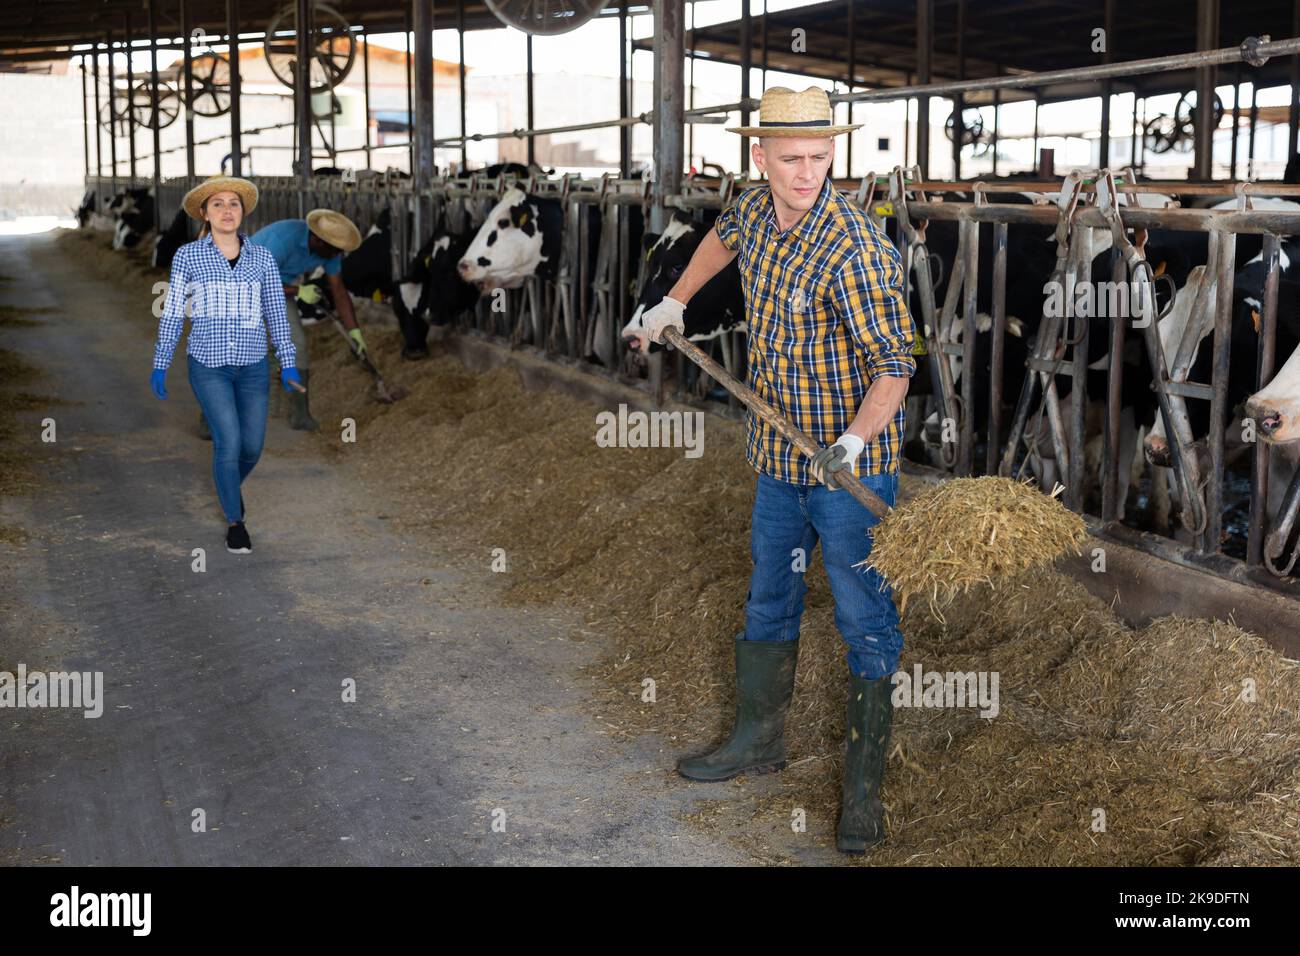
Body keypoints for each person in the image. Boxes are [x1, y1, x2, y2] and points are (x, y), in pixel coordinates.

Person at [628, 87, 916, 854]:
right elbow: (721, 238)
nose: (808, 172)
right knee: (769, 596)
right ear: (761, 156)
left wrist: (854, 442)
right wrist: (675, 301)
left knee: (864, 618)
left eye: (821, 157)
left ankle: (864, 792)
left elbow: (895, 366)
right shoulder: (756, 208)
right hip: (778, 457)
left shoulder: (857, 247)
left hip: (850, 471)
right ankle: (758, 740)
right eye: (792, 158)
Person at [150, 175, 301, 554]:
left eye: (233, 203)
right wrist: (161, 361)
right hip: (208, 364)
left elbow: (275, 313)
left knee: (252, 447)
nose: (226, 210)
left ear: (243, 211)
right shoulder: (187, 256)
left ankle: (227, 486)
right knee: (228, 443)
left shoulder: (262, 258)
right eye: (217, 204)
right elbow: (172, 313)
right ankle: (236, 521)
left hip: (252, 366)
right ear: (204, 213)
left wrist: (288, 361)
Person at [248, 210, 365, 431]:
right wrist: (298, 290)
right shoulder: (283, 240)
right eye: (332, 250)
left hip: (279, 288)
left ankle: (300, 415)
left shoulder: (330, 250)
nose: (335, 255)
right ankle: (210, 419)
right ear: (316, 239)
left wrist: (354, 333)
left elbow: (338, 291)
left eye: (338, 250)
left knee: (297, 344)